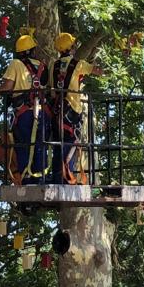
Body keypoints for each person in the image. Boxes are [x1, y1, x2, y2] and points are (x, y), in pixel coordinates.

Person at [0, 33, 49, 183]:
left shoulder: (16, 64)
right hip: (41, 112)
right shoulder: (43, 66)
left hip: (24, 113)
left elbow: (7, 86)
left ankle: (26, 178)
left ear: (20, 52)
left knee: (22, 144)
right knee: (39, 145)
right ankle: (41, 177)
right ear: (32, 50)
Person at [50, 33, 103, 184]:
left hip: (56, 110)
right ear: (71, 47)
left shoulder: (53, 65)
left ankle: (57, 177)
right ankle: (66, 177)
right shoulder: (78, 64)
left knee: (57, 147)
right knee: (70, 144)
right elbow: (97, 71)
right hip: (72, 110)